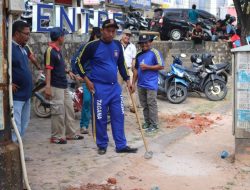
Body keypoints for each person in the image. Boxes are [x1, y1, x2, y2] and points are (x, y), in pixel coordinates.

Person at [75, 19, 138, 155]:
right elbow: (78, 62)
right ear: (102, 31)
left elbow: (121, 64)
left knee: (119, 115)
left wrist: (128, 79)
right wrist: (86, 79)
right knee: (100, 117)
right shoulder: (92, 46)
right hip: (99, 88)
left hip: (115, 87)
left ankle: (121, 145)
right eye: (108, 31)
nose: (111, 34)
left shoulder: (117, 44)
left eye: (114, 31)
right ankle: (102, 144)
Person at [44, 27, 83, 144]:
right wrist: (48, 87)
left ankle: (70, 134)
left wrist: (68, 71)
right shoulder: (50, 50)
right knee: (58, 112)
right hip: (56, 86)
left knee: (69, 109)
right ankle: (56, 136)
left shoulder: (57, 50)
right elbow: (48, 70)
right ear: (59, 37)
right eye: (63, 36)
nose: (64, 38)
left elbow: (59, 66)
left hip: (63, 84)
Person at [71, 27, 101, 134]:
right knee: (87, 101)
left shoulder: (103, 48)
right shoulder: (85, 47)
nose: (99, 39)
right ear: (93, 36)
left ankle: (99, 125)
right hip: (87, 78)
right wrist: (77, 73)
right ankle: (84, 125)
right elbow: (75, 60)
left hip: (100, 79)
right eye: (97, 37)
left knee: (99, 103)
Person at [131, 34, 164, 133]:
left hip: (151, 84)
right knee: (144, 104)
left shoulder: (155, 52)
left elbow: (161, 66)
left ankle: (154, 124)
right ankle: (147, 122)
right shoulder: (138, 55)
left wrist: (147, 67)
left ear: (150, 42)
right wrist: (133, 83)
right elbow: (136, 70)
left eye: (146, 42)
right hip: (141, 84)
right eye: (142, 43)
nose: (144, 44)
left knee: (151, 104)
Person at [12, 20, 34, 142]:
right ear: (17, 33)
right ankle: (15, 155)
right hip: (16, 97)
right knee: (15, 126)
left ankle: (19, 152)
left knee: (23, 126)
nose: (28, 37)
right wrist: (8, 84)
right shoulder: (9, 48)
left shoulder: (23, 48)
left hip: (26, 95)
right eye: (26, 34)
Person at [118, 29, 137, 113]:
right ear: (122, 35)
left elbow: (133, 59)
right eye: (126, 34)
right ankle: (117, 105)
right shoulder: (116, 44)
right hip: (118, 70)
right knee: (117, 89)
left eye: (129, 35)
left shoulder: (132, 46)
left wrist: (133, 70)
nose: (127, 37)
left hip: (128, 69)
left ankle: (133, 106)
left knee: (131, 88)